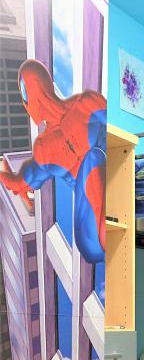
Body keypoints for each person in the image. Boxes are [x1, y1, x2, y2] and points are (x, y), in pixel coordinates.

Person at [0, 60, 106, 264]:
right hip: (93, 237)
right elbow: (19, 184)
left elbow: (17, 184)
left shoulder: (86, 106)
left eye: (24, 92)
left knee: (95, 158)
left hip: (115, 199)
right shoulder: (45, 150)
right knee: (94, 158)